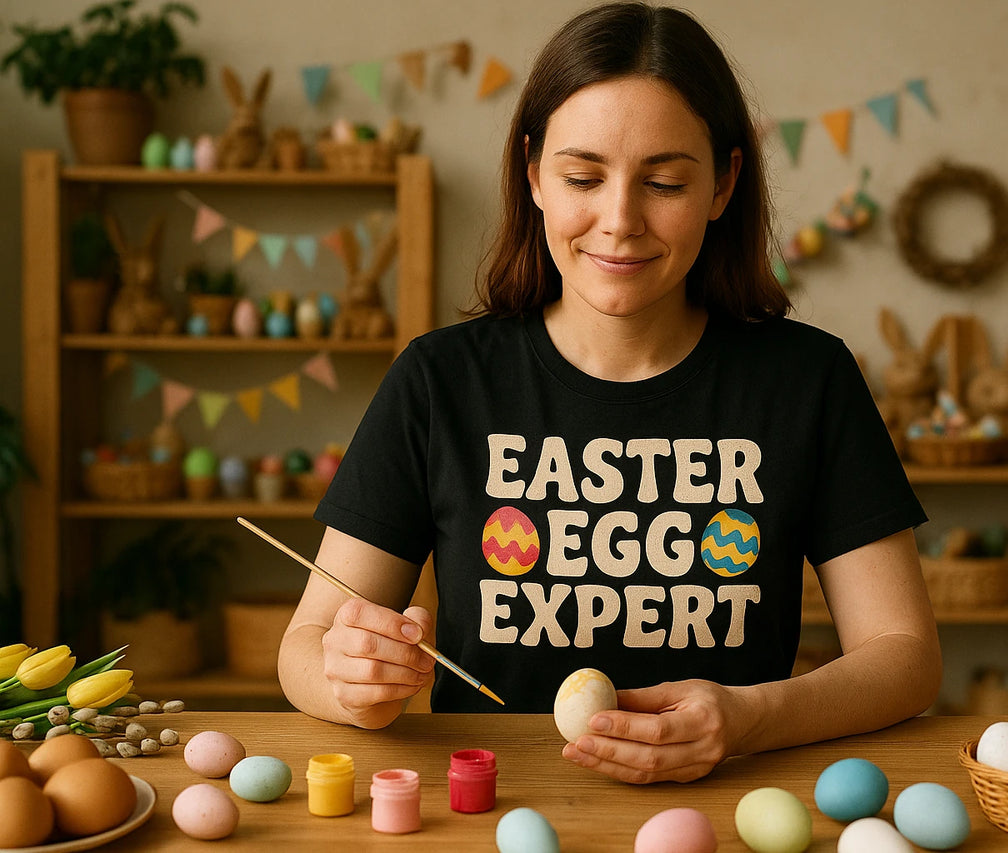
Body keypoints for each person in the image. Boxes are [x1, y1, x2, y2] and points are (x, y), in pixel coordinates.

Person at [279, 1, 941, 784]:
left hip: (727, 805)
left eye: (663, 181)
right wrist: (353, 683)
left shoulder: (809, 380)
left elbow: (906, 657)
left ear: (725, 183)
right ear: (533, 176)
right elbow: (305, 645)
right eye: (583, 177)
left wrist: (751, 717)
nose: (620, 220)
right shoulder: (440, 380)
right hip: (495, 809)